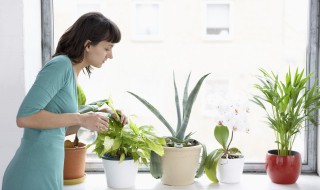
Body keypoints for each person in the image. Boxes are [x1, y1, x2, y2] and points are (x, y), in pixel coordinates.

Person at [2, 12, 128, 190]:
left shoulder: (71, 73)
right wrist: (81, 118)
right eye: (107, 48)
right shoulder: (60, 65)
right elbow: (25, 117)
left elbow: (58, 128)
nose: (110, 55)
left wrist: (99, 117)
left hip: (47, 172)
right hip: (31, 174)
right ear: (88, 45)